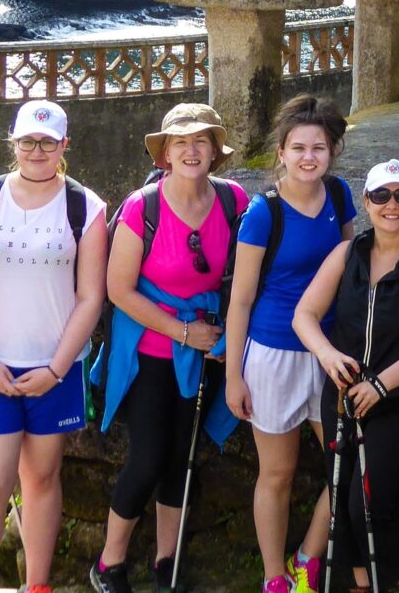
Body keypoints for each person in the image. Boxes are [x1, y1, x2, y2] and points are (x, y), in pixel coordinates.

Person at [90, 103, 249, 593]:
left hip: (205, 347)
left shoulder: (234, 201)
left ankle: (166, 564)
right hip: (149, 353)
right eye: (180, 142)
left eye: (201, 140)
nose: (191, 150)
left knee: (182, 457)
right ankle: (107, 565)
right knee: (149, 456)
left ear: (215, 152)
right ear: (165, 154)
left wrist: (227, 337)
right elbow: (119, 291)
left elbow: (243, 279)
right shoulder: (144, 207)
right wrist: (184, 334)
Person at [0, 100, 108, 593]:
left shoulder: (86, 206)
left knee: (41, 479)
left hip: (54, 371)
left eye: (47, 141)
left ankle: (36, 585)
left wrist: (57, 370)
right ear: (13, 143)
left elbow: (91, 297)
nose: (36, 150)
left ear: (64, 145)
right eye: (27, 141)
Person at [294, 159, 399, 593]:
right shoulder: (347, 255)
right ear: (366, 202)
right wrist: (328, 355)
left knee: (368, 504)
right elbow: (305, 315)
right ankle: (362, 585)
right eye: (382, 195)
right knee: (341, 503)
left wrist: (382, 385)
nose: (392, 205)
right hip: (344, 396)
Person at [224, 95, 358, 593]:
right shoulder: (263, 213)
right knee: (276, 474)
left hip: (328, 352)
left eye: (318, 148)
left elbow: (350, 269)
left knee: (346, 466)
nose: (308, 157)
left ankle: (308, 555)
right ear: (280, 153)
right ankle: (274, 577)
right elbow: (240, 301)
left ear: (331, 152)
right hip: (274, 353)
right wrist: (234, 376)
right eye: (298, 148)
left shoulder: (341, 196)